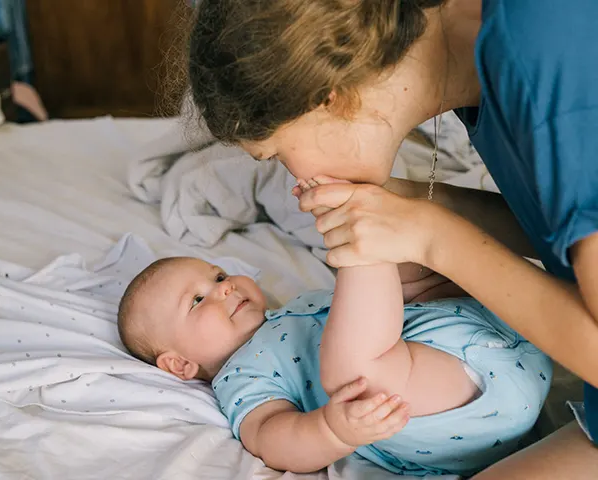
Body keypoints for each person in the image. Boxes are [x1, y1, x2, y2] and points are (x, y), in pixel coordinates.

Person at [184, 0, 598, 476]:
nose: (293, 175)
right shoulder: (478, 69)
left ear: (326, 98)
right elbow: (562, 226)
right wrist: (422, 206)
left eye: (277, 154)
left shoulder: (538, 45)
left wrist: (433, 237)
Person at [116, 196, 551, 476]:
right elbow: (271, 438)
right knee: (357, 372)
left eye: (218, 276)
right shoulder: (239, 378)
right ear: (179, 363)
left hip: (506, 334)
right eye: (197, 301)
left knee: (401, 275)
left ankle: (395, 236)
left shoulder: (295, 307)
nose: (225, 288)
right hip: (455, 406)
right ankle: (366, 240)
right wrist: (333, 430)